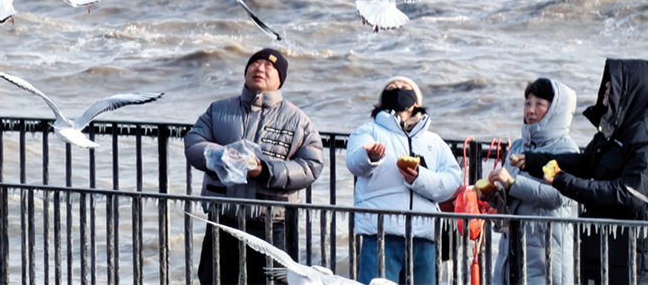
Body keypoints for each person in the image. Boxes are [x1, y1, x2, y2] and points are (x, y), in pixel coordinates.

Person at [184, 48, 324, 285]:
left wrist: (265, 170)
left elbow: (311, 165)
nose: (260, 69)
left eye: (269, 66)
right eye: (255, 64)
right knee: (213, 279)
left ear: (280, 79)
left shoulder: (298, 119)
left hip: (272, 222)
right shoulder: (218, 110)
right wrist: (221, 156)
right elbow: (193, 143)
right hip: (223, 217)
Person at [514, 59, 648, 284]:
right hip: (605, 251)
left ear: (630, 93)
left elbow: (630, 194)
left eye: (611, 90)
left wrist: (563, 181)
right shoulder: (615, 131)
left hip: (636, 261)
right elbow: (584, 163)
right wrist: (532, 161)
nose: (605, 95)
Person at [346, 76, 462, 285]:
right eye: (392, 88)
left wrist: (420, 177)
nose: (399, 90)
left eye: (405, 88)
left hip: (424, 236)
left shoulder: (434, 141)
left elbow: (453, 179)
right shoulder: (369, 131)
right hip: (381, 234)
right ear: (382, 101)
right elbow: (354, 162)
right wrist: (370, 157)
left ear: (417, 101)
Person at [486, 78, 579, 285]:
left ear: (556, 110)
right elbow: (511, 199)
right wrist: (493, 195)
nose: (531, 110)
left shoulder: (565, 150)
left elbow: (558, 196)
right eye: (528, 103)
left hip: (546, 249)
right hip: (511, 247)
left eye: (540, 104)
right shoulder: (518, 147)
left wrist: (512, 183)